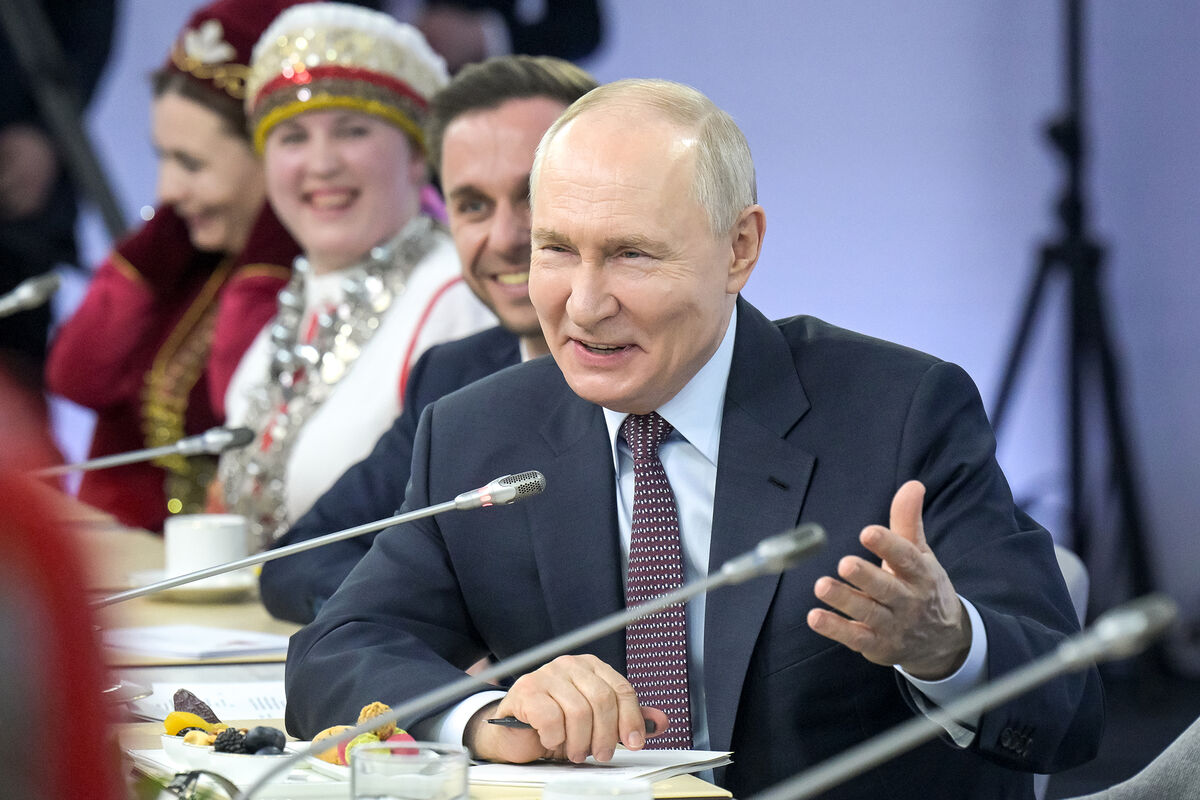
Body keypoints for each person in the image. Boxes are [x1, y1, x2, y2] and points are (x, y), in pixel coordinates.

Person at [284, 79, 1103, 799]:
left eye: (631, 255)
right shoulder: (479, 433)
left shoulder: (899, 413)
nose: (584, 305)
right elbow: (335, 654)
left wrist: (948, 645)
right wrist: (486, 716)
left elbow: (1069, 710)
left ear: (739, 249)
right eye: (557, 250)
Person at [258, 55, 597, 624]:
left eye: (535, 196)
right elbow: (300, 559)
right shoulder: (452, 377)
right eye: (473, 205)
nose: (505, 237)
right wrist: (434, 626)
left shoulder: (684, 373)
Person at [219, 3, 496, 548]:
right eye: (292, 137)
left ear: (417, 155)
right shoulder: (292, 308)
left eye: (352, 131)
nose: (322, 164)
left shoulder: (457, 298)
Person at [45, 0, 301, 532]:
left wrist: (269, 246)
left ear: (274, 156)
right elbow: (75, 376)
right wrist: (157, 241)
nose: (166, 189)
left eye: (191, 163)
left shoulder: (306, 278)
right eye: (162, 156)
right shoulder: (185, 258)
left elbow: (240, 406)